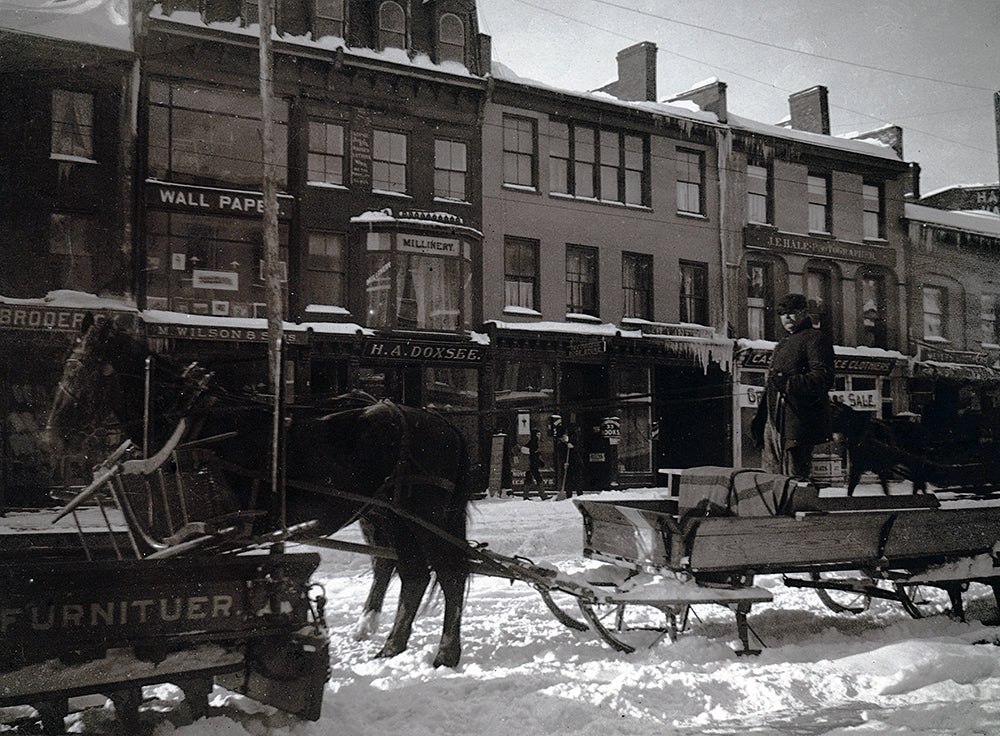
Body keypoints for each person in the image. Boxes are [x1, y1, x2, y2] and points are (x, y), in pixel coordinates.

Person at [751, 293, 835, 480]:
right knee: (771, 478)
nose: (787, 317)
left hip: (797, 421)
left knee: (795, 478)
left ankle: (797, 508)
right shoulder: (783, 343)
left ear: (804, 312)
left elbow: (824, 378)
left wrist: (788, 383)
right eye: (782, 313)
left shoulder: (815, 338)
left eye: (792, 312)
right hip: (773, 422)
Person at [523, 428, 548, 499]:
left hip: (530, 464)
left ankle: (525, 495)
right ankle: (542, 495)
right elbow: (534, 455)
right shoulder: (534, 442)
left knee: (528, 479)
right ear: (535, 435)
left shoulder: (530, 442)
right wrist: (540, 462)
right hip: (533, 464)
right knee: (539, 479)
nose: (540, 436)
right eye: (538, 434)